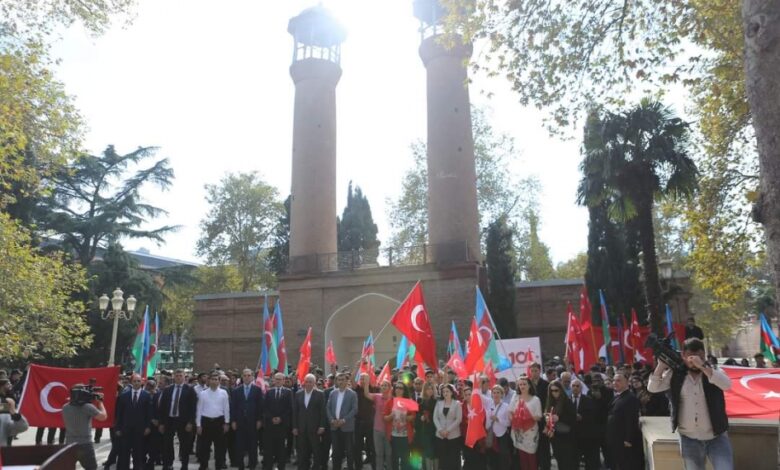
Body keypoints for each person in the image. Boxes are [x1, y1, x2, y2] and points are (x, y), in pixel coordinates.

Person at [648, 337, 734, 470]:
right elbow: (653, 388)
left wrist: (703, 366)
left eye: (699, 356)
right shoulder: (676, 374)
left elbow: (727, 385)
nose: (694, 361)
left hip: (716, 436)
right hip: (689, 438)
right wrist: (661, 366)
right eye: (690, 357)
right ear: (683, 356)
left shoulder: (714, 370)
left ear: (704, 355)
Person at [158, 368, 198, 470]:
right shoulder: (168, 389)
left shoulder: (190, 389)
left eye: (181, 376)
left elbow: (193, 407)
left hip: (183, 421)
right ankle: (168, 464)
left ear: (184, 377)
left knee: (184, 444)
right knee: (167, 443)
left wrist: (190, 422)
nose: (179, 378)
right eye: (177, 376)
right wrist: (161, 423)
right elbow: (162, 407)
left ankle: (184, 465)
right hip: (169, 420)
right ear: (173, 377)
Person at [61, 384, 106, 470]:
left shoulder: (65, 407)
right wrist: (100, 403)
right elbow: (103, 417)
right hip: (85, 444)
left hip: (69, 444)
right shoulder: (87, 407)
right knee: (91, 468)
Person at [115, 374, 152, 470]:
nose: (136, 383)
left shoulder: (146, 396)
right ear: (131, 382)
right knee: (124, 453)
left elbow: (149, 413)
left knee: (138, 453)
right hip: (126, 430)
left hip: (140, 430)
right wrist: (118, 428)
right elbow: (119, 414)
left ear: (142, 382)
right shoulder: (124, 396)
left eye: (138, 381)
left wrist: (148, 427)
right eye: (134, 381)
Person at [605, 372, 642, 470]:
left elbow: (632, 419)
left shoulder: (630, 398)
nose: (615, 383)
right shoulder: (618, 396)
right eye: (614, 380)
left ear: (627, 382)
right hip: (615, 438)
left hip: (623, 440)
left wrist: (628, 439)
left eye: (618, 380)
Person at [196, 373, 230, 470]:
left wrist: (227, 422)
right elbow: (199, 409)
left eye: (216, 379)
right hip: (206, 422)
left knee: (220, 447)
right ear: (209, 381)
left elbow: (226, 408)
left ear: (219, 381)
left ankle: (218, 466)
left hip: (219, 422)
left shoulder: (224, 393)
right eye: (212, 379)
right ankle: (203, 465)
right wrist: (198, 425)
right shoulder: (203, 393)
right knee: (204, 447)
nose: (214, 381)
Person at [293, 373, 327, 470]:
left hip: (315, 428)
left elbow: (323, 411)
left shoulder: (320, 394)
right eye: (306, 381)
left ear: (314, 383)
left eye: (310, 382)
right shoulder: (298, 394)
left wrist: (322, 426)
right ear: (304, 382)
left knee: (316, 451)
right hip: (301, 428)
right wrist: (294, 427)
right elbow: (295, 412)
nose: (308, 384)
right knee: (302, 452)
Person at [231, 369, 263, 470]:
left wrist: (259, 420)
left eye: (249, 375)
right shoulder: (236, 390)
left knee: (252, 446)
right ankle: (240, 466)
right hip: (240, 422)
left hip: (253, 422)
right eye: (245, 375)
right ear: (242, 377)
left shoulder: (257, 390)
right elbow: (233, 407)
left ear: (252, 377)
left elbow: (260, 407)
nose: (247, 377)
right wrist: (233, 421)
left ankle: (252, 466)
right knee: (239, 446)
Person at [509, 376, 541, 470]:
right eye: (520, 384)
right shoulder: (515, 397)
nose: (522, 386)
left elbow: (539, 416)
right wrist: (514, 419)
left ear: (529, 385)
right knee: (522, 458)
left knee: (531, 457)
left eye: (524, 384)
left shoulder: (535, 399)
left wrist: (526, 416)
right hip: (519, 432)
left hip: (531, 433)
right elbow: (510, 412)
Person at [328, 372, 358, 470]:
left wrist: (344, 420)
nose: (340, 382)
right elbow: (328, 408)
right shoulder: (333, 393)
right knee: (336, 451)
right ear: (336, 381)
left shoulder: (352, 394)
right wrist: (332, 420)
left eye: (343, 380)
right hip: (334, 426)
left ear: (346, 381)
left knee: (349, 451)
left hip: (347, 427)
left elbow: (354, 409)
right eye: (339, 380)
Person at [543, 380, 576, 470]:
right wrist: (547, 418)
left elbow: (573, 417)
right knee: (559, 459)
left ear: (561, 390)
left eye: (556, 390)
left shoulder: (567, 401)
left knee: (567, 461)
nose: (554, 393)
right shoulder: (550, 402)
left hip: (566, 436)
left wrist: (559, 418)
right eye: (551, 391)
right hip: (555, 436)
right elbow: (547, 415)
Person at [263, 372, 293, 470]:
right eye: (276, 379)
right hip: (270, 425)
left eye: (280, 379)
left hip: (282, 426)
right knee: (269, 449)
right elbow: (265, 407)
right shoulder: (269, 392)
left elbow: (289, 408)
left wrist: (281, 418)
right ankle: (268, 467)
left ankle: (281, 467)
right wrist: (272, 418)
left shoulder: (288, 392)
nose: (278, 381)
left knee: (281, 449)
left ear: (284, 381)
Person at [384, 382, 415, 470]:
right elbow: (385, 417)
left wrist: (404, 416)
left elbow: (413, 417)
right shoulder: (390, 401)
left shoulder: (410, 402)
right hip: (393, 436)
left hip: (405, 436)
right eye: (397, 387)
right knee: (394, 459)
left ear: (404, 390)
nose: (398, 389)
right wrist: (391, 416)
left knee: (405, 459)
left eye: (401, 388)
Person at [363, 379, 393, 470]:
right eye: (382, 385)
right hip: (377, 430)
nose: (383, 387)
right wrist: (366, 383)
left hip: (389, 430)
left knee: (389, 454)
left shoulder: (393, 399)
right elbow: (366, 394)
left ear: (390, 387)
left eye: (385, 385)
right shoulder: (377, 396)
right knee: (379, 454)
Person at [569, 379, 599, 470]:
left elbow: (593, 416)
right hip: (572, 436)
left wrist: (582, 417)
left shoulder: (588, 400)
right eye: (573, 386)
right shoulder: (567, 400)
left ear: (581, 388)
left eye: (577, 386)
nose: (575, 388)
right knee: (573, 461)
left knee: (589, 460)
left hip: (585, 436)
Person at [587, 371, 613, 469]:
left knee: (606, 448)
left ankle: (609, 465)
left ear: (602, 381)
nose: (596, 383)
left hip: (605, 423)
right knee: (594, 449)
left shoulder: (609, 391)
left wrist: (600, 398)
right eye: (594, 381)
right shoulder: (590, 391)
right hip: (594, 425)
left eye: (598, 380)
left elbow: (609, 407)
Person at [433, 384, 461, 470]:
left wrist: (448, 430)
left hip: (453, 436)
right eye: (444, 392)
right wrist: (440, 430)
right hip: (440, 436)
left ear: (452, 392)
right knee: (442, 459)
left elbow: (458, 419)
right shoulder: (439, 403)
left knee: (453, 459)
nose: (445, 393)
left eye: (447, 391)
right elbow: (435, 418)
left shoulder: (457, 403)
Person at [528, 362, 551, 470]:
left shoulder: (546, 384)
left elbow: (548, 402)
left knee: (544, 445)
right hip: (531, 420)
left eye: (536, 371)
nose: (534, 373)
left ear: (539, 371)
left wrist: (546, 417)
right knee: (533, 445)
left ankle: (546, 466)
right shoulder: (527, 384)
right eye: (532, 371)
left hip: (542, 420)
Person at [484, 385, 511, 470]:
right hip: (491, 435)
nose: (496, 394)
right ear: (491, 394)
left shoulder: (506, 406)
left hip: (502, 436)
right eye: (494, 393)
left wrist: (498, 419)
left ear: (502, 394)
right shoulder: (489, 405)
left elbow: (509, 423)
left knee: (502, 457)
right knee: (492, 456)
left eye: (498, 392)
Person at [414, 382, 437, 470]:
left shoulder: (436, 401)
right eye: (428, 389)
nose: (430, 390)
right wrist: (421, 417)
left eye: (431, 389)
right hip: (423, 429)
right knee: (426, 451)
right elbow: (417, 413)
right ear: (424, 390)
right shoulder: (420, 400)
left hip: (434, 429)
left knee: (434, 451)